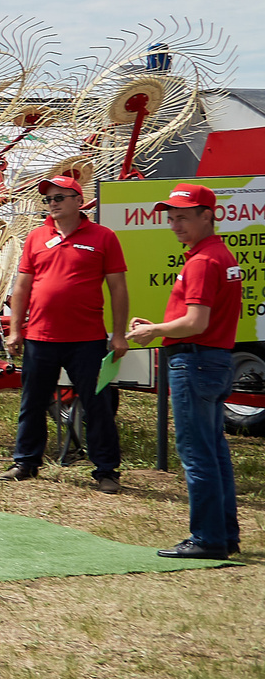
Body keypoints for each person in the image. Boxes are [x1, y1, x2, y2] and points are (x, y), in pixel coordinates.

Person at [125, 184, 246, 558]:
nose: (174, 224)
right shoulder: (218, 255)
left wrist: (154, 331)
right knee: (212, 451)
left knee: (197, 452)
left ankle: (209, 539)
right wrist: (161, 326)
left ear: (207, 215)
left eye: (183, 216)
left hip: (194, 361)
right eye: (171, 217)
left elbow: (195, 321)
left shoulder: (203, 260)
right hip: (212, 360)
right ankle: (222, 535)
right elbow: (199, 320)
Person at [1, 174, 129, 491]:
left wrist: (119, 334)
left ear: (78, 201)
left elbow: (118, 289)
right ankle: (26, 462)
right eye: (48, 199)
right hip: (40, 337)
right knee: (32, 402)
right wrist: (16, 330)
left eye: (59, 198)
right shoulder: (35, 238)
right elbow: (22, 288)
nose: (52, 204)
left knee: (97, 403)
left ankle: (106, 471)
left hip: (86, 340)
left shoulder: (104, 237)